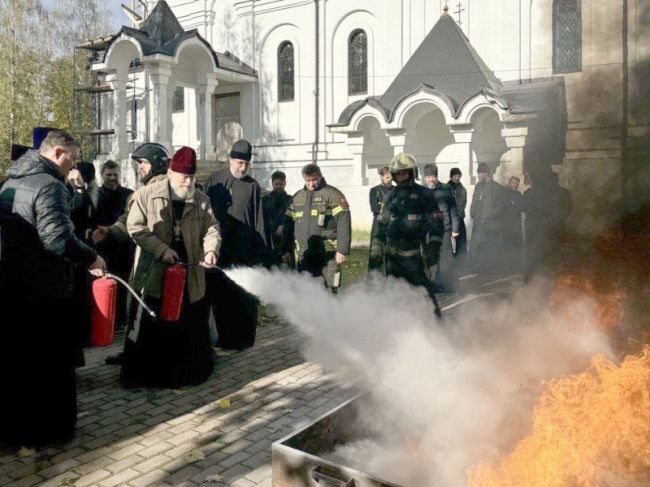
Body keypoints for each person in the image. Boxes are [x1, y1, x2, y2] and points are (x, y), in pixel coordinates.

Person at [0, 129, 106, 445]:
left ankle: (13, 430)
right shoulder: (49, 186)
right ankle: (50, 431)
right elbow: (57, 238)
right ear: (58, 152)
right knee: (50, 365)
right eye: (72, 159)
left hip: (11, 287)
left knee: (17, 364)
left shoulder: (9, 183)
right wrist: (91, 257)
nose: (73, 167)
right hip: (45, 291)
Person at [121, 146, 221, 388]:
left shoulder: (201, 200)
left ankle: (189, 374)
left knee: (189, 326)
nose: (188, 182)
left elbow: (212, 229)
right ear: (170, 172)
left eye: (191, 177)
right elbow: (135, 228)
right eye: (183, 177)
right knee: (155, 326)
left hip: (190, 275)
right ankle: (153, 378)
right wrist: (162, 250)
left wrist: (210, 250)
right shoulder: (146, 195)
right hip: (155, 275)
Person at [93, 143, 170, 365]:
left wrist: (111, 230)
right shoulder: (174, 188)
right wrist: (109, 230)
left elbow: (129, 225)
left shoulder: (143, 193)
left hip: (149, 261)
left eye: (143, 163)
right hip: (170, 260)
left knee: (139, 307)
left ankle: (136, 356)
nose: (139, 169)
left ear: (155, 164)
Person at [378, 153, 442, 316]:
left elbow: (436, 222)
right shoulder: (391, 195)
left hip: (415, 255)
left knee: (425, 294)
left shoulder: (424, 194)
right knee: (395, 295)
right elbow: (382, 222)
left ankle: (438, 327)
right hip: (392, 257)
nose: (401, 177)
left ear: (412, 173)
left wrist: (434, 246)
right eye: (398, 174)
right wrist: (376, 247)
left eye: (404, 173)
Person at [285, 163, 352, 292]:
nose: (311, 184)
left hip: (328, 253)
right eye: (308, 180)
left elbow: (344, 221)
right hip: (304, 253)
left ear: (320, 176)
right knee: (305, 290)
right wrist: (285, 248)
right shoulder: (297, 197)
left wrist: (342, 250)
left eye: (314, 180)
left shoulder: (333, 195)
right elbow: (288, 224)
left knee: (330, 290)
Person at [204, 139, 266, 267]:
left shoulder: (253, 186)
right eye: (240, 163)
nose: (243, 168)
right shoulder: (215, 179)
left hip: (243, 250)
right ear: (230, 159)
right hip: (218, 246)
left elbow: (258, 221)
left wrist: (261, 251)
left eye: (247, 164)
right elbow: (204, 211)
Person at [95, 160, 135, 329]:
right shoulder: (96, 195)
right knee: (104, 284)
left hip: (124, 248)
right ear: (102, 176)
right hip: (103, 248)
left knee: (123, 285)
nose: (112, 178)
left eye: (115, 175)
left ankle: (120, 321)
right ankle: (106, 321)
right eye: (109, 175)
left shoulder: (129, 194)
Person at [522, 170, 572, 280]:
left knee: (538, 253)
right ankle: (550, 277)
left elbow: (525, 208)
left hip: (540, 228)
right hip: (551, 227)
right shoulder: (563, 192)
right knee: (553, 252)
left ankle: (533, 278)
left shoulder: (537, 192)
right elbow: (568, 209)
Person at [423, 164, 460, 292]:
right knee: (431, 259)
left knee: (446, 259)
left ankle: (447, 285)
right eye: (428, 177)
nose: (431, 179)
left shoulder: (446, 189)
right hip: (428, 232)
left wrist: (455, 229)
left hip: (445, 230)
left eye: (433, 176)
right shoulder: (421, 191)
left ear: (437, 177)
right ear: (424, 178)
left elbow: (454, 210)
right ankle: (432, 285)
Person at [469, 162, 506, 275]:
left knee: (488, 246)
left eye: (480, 173)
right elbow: (474, 200)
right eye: (478, 173)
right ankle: (478, 268)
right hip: (478, 222)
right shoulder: (478, 185)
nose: (478, 175)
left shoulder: (496, 187)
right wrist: (472, 212)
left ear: (486, 173)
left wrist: (491, 215)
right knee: (477, 246)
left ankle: (490, 270)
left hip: (490, 223)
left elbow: (500, 205)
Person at [262, 170, 293, 266]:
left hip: (286, 242)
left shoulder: (291, 200)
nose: (278, 186)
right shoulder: (264, 200)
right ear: (272, 184)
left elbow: (293, 220)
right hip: (269, 241)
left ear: (285, 183)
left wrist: (284, 228)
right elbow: (262, 220)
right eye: (276, 184)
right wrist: (274, 229)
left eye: (281, 184)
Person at [368, 166, 393, 273]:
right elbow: (374, 207)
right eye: (386, 175)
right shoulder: (374, 191)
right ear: (381, 177)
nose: (388, 177)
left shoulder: (396, 190)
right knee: (376, 252)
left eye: (390, 175)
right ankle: (375, 281)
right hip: (378, 225)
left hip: (393, 225)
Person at [447, 167, 468, 262]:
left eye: (459, 175)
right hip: (449, 219)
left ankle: (462, 261)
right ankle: (451, 261)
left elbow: (463, 202)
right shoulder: (446, 188)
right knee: (450, 242)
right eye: (455, 175)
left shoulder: (462, 188)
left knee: (462, 241)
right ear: (451, 176)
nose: (457, 177)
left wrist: (460, 213)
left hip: (459, 218)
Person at [504, 176, 524, 271]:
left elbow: (521, 206)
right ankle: (507, 265)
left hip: (515, 223)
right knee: (507, 244)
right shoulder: (505, 194)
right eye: (513, 183)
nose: (514, 185)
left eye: (516, 183)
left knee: (516, 243)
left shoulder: (518, 194)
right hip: (506, 223)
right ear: (509, 183)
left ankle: (516, 265)